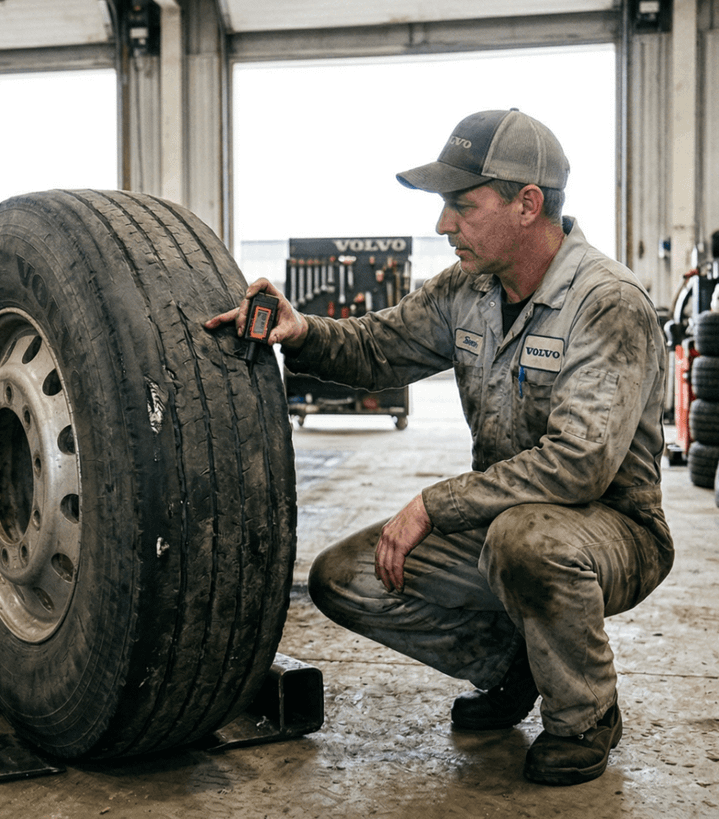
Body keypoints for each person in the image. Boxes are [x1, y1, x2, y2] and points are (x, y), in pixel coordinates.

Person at [206, 109, 674, 786]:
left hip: (613, 529)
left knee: (526, 541)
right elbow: (377, 347)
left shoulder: (607, 304)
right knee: (347, 578)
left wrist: (435, 501)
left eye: (461, 205)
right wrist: (300, 329)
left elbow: (578, 464)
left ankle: (585, 714)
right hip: (503, 521)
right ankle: (512, 669)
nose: (442, 225)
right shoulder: (469, 289)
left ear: (527, 203)